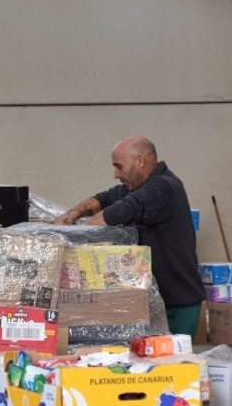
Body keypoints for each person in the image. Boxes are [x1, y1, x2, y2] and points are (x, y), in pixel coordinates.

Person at [51, 135, 206, 339]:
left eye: (119, 166)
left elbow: (120, 211)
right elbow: (103, 199)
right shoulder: (137, 187)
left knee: (174, 366)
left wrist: (72, 237)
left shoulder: (164, 187)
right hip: (152, 301)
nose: (115, 174)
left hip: (176, 304)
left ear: (140, 161)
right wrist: (71, 215)